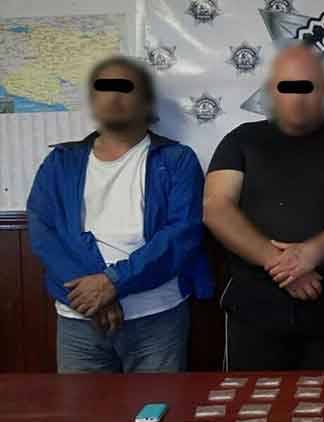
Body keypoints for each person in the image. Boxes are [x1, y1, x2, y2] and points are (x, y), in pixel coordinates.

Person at [203, 43, 324, 370]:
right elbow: (215, 207)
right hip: (255, 308)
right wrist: (282, 264)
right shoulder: (241, 139)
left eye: (307, 87)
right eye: (287, 87)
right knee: (252, 402)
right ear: (270, 91)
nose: (297, 98)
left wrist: (312, 253)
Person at [26, 56, 214, 373]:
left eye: (125, 88)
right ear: (92, 100)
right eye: (103, 88)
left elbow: (181, 234)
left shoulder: (177, 160)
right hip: (79, 319)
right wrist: (94, 295)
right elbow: (43, 232)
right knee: (81, 407)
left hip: (156, 318)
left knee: (158, 406)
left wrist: (113, 284)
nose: (113, 97)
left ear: (146, 101)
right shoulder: (61, 162)